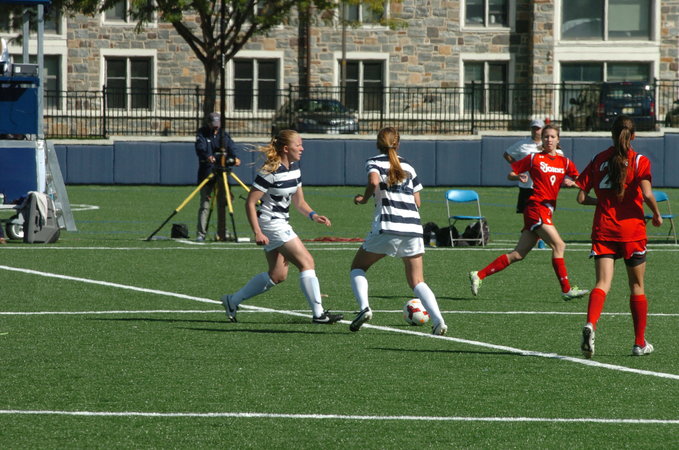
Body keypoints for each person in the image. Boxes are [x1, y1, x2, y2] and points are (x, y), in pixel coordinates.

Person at [220, 130, 343, 325]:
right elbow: (250, 203)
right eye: (298, 145)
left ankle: (232, 300)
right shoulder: (269, 172)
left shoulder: (295, 169)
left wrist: (313, 215)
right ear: (286, 148)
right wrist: (257, 232)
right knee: (307, 262)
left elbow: (299, 202)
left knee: (277, 275)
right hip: (271, 223)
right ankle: (319, 314)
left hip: (281, 222)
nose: (302, 148)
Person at [468, 124, 589, 301]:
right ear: (542, 140)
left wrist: (574, 183)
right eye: (546, 136)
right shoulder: (534, 158)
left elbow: (580, 180)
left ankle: (479, 274)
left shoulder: (565, 162)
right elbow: (511, 174)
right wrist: (518, 176)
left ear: (558, 140)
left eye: (552, 136)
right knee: (559, 246)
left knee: (518, 254)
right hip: (536, 207)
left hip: (547, 210)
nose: (549, 140)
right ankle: (566, 289)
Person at [575, 115, 662, 358]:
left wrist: (602, 202)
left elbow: (580, 197)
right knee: (637, 286)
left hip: (604, 229)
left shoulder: (598, 159)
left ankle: (591, 324)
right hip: (632, 231)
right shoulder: (639, 160)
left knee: (602, 283)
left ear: (611, 134)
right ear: (633, 136)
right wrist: (656, 214)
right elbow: (647, 194)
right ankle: (639, 343)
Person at [348, 127, 448, 335]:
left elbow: (373, 181)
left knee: (358, 267)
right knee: (417, 281)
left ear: (378, 143)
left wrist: (364, 199)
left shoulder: (374, 162)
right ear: (398, 143)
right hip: (413, 227)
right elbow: (418, 202)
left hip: (388, 226)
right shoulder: (408, 165)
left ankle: (364, 308)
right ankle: (438, 320)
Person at [194, 112, 240, 241]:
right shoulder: (202, 134)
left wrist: (235, 157)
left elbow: (232, 147)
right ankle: (201, 234)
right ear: (208, 123)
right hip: (207, 173)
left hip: (223, 174)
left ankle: (223, 232)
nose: (216, 127)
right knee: (205, 205)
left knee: (225, 202)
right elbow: (200, 148)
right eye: (213, 124)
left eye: (217, 124)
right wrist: (208, 156)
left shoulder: (223, 134)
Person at [503, 119, 544, 213]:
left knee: (542, 214)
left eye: (538, 128)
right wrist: (518, 167)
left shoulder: (547, 144)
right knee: (526, 214)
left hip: (542, 186)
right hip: (526, 185)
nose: (535, 131)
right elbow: (507, 154)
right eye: (533, 128)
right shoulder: (523, 144)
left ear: (543, 129)